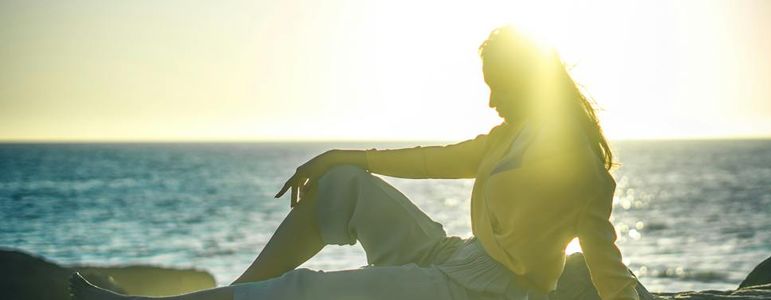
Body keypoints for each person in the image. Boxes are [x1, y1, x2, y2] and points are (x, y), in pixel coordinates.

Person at [69, 25, 640, 300]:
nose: (491, 100)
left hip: (487, 295)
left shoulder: (582, 171)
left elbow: (606, 267)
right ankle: (233, 297)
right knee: (344, 184)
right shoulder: (508, 137)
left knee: (308, 291)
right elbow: (428, 161)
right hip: (457, 261)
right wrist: (341, 155)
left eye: (498, 87)